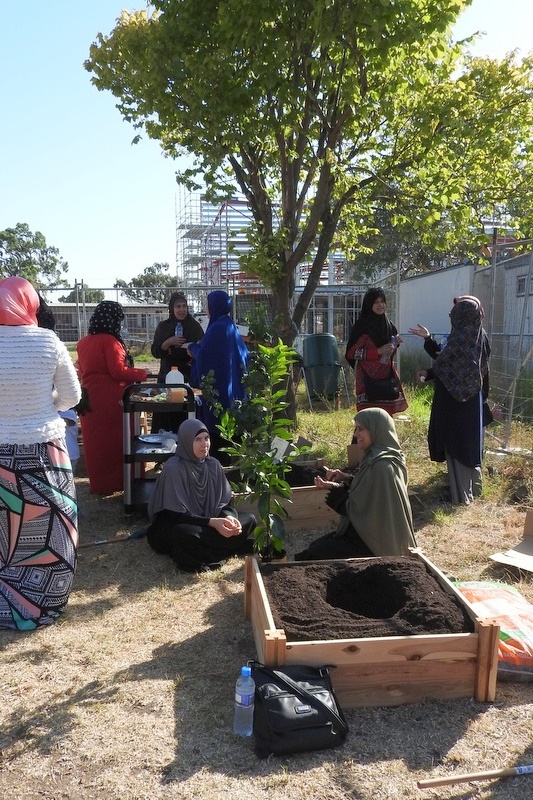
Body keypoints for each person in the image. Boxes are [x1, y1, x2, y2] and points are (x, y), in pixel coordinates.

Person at [0, 276, 81, 629]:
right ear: (30, 303)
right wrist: (45, 403)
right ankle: (43, 604)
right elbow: (72, 396)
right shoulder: (48, 341)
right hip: (45, 451)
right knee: (52, 527)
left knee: (5, 530)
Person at [294, 407, 416, 561]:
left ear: (375, 429)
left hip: (375, 544)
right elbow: (371, 491)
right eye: (355, 428)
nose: (355, 434)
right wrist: (346, 478)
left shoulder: (383, 466)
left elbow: (363, 509)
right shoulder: (381, 457)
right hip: (367, 534)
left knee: (313, 556)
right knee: (314, 548)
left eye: (360, 429)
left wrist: (336, 492)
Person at [409, 295, 492, 505]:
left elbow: (444, 362)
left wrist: (429, 373)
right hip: (472, 403)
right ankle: (469, 490)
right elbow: (448, 361)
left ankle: (460, 495)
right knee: (469, 447)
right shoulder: (477, 337)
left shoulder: (460, 340)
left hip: (454, 404)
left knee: (457, 448)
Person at [146, 418, 256, 571]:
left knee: (249, 520)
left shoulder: (213, 465)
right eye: (197, 439)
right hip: (179, 524)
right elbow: (175, 516)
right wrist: (212, 522)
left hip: (208, 523)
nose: (204, 444)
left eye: (206, 438)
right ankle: (227, 549)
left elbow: (223, 503)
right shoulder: (173, 468)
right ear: (186, 441)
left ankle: (210, 552)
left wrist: (229, 517)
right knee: (185, 534)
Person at [76, 300, 148, 494]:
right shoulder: (110, 341)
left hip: (89, 397)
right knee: (118, 442)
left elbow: (79, 369)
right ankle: (121, 482)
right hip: (111, 399)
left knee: (96, 444)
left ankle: (100, 484)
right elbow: (118, 371)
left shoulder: (83, 342)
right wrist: (141, 373)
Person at [186, 290, 249, 458]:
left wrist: (192, 348)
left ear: (213, 306)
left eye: (207, 305)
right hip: (234, 391)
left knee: (219, 434)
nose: (206, 309)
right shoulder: (229, 324)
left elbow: (206, 356)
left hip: (220, 393)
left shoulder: (218, 328)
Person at [345, 287, 408, 415]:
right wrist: (377, 351)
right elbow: (351, 353)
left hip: (386, 379)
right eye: (375, 302)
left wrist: (393, 346)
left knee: (385, 420)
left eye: (382, 301)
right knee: (368, 420)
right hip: (367, 381)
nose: (380, 305)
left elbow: (389, 354)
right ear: (369, 304)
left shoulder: (389, 326)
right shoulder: (362, 327)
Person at [150, 292, 205, 434]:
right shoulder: (163, 327)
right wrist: (167, 343)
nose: (182, 310)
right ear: (171, 309)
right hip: (166, 377)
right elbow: (156, 352)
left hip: (188, 379)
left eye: (184, 306)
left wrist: (176, 351)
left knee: (185, 418)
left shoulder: (194, 327)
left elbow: (200, 351)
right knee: (165, 418)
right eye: (178, 306)